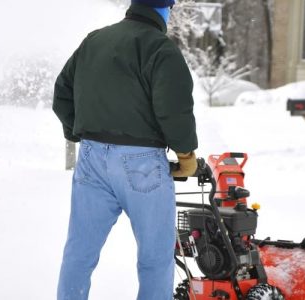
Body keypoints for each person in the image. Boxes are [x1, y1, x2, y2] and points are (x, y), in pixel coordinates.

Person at [52, 0, 198, 299]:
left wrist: (77, 131)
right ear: (164, 10)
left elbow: (62, 94)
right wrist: (185, 155)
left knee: (79, 252)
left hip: (91, 159)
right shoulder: (161, 49)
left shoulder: (95, 40)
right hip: (141, 163)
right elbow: (173, 109)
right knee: (155, 258)